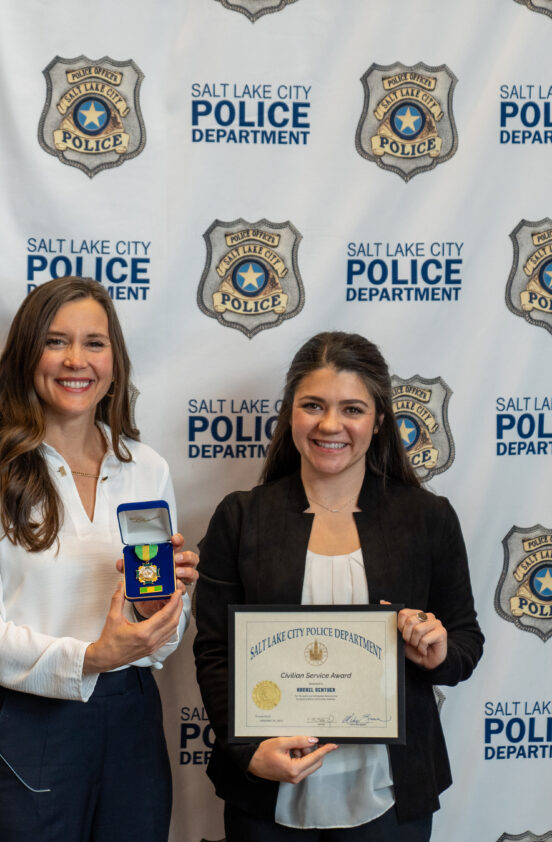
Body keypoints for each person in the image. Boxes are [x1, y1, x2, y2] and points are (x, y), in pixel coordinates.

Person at [192, 331, 483, 841]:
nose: (331, 425)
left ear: (380, 421)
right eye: (313, 405)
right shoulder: (241, 517)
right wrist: (248, 751)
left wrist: (436, 651)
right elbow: (215, 652)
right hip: (267, 790)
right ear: (290, 415)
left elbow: (464, 642)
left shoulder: (428, 518)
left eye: (352, 408)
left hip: (390, 794)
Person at [0, 276, 197, 842]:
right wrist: (90, 657)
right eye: (56, 341)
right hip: (24, 725)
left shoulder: (147, 468)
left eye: (94, 343)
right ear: (28, 354)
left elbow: (164, 638)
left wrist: (165, 604)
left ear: (115, 360)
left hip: (130, 721)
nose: (76, 360)